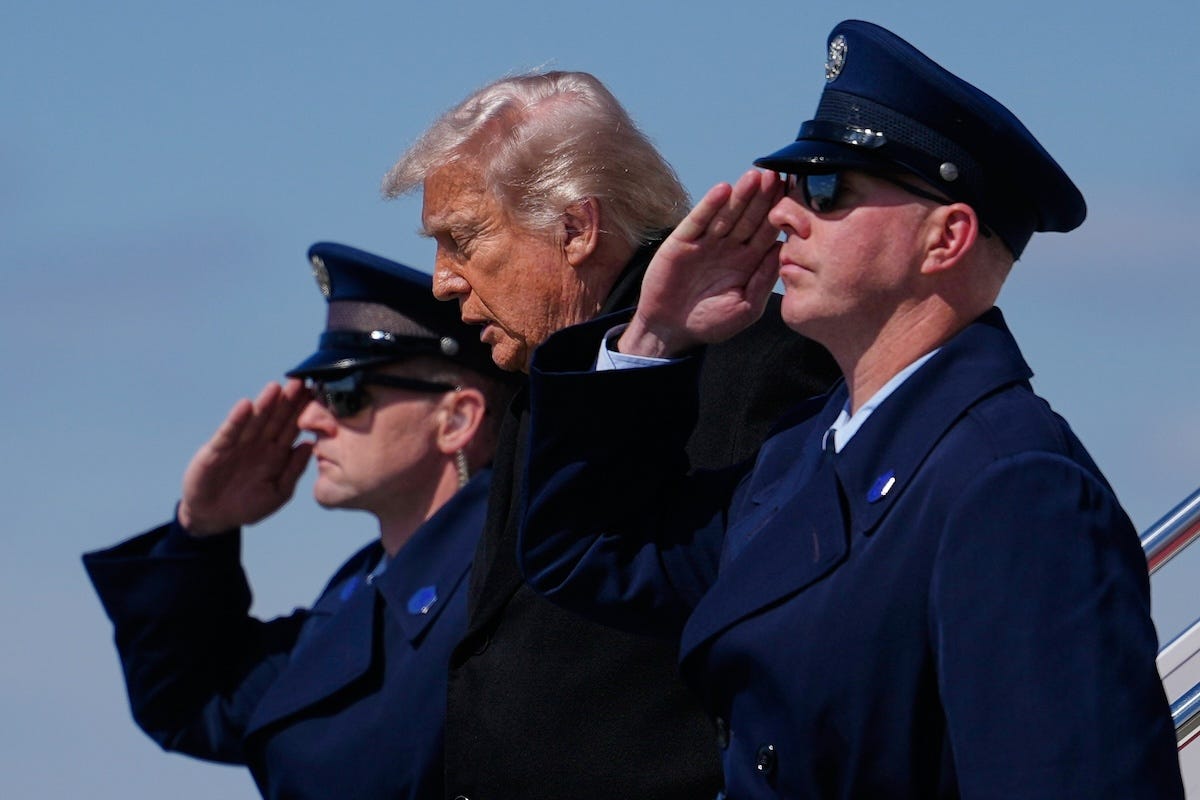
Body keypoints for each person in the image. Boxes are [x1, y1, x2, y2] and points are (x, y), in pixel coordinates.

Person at [517, 21, 1183, 798]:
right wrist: (653, 336)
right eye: (794, 187)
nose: (785, 216)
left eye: (828, 190)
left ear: (947, 238)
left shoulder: (1013, 485)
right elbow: (590, 552)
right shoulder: (804, 456)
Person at [383, 71, 840, 798]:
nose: (442, 281)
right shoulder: (545, 385)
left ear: (576, 229)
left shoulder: (763, 365)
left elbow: (792, 660)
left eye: (463, 239)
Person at [83, 242, 516, 800]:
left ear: (456, 418)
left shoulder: (513, 585)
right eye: (315, 393)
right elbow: (193, 703)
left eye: (344, 393)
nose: (310, 418)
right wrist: (200, 532)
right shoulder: (362, 591)